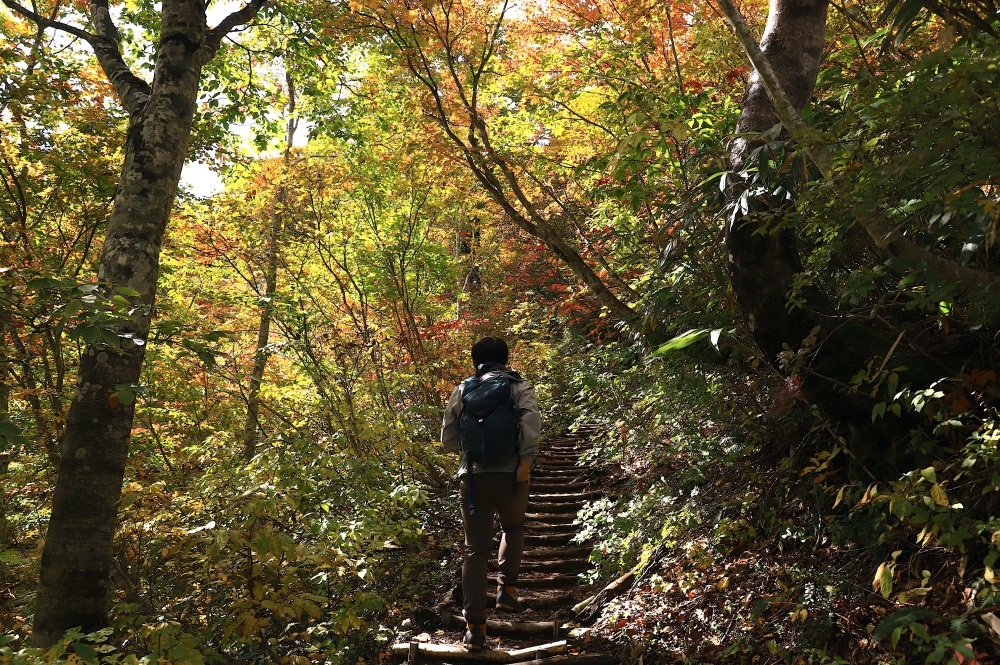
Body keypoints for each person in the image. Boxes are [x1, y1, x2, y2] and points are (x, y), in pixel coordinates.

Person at [441, 336, 541, 651]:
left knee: (474, 550)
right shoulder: (518, 386)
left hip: (472, 479)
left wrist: (471, 454)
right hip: (512, 475)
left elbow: (448, 436)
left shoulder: (463, 388)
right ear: (505, 358)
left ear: (476, 360)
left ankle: (474, 628)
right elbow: (531, 423)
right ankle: (507, 592)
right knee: (513, 527)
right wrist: (524, 461)